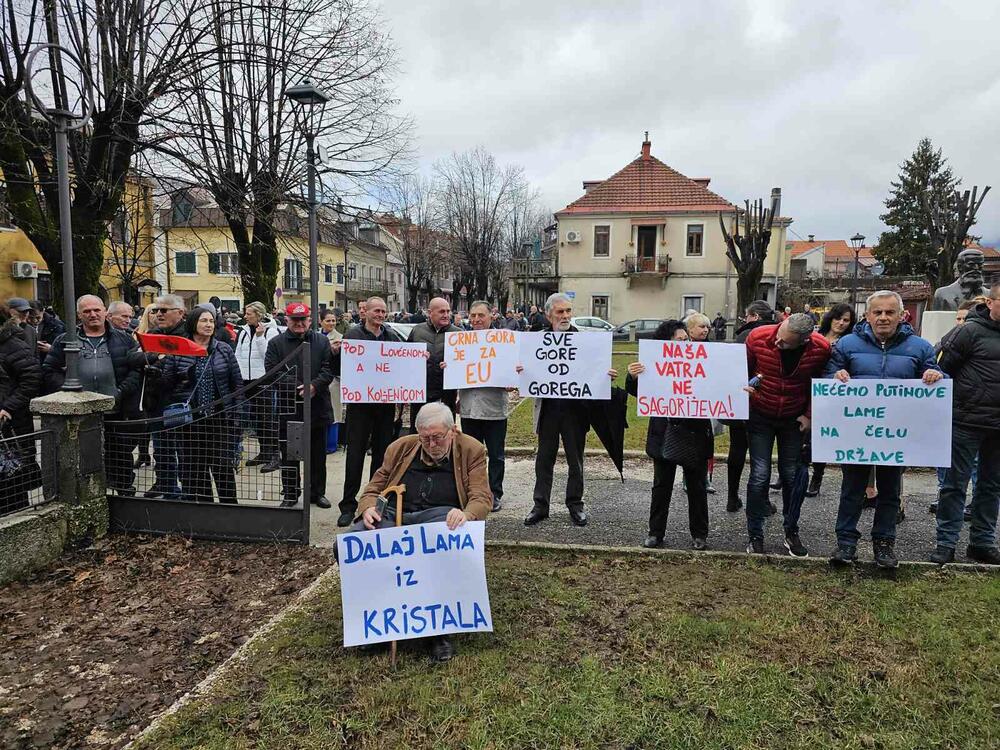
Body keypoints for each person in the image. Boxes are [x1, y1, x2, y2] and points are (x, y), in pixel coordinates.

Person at [347, 401, 492, 662]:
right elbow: (373, 488)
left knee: (446, 542)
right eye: (425, 438)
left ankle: (437, 632)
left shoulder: (472, 449)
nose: (432, 444)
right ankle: (379, 623)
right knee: (353, 541)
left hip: (441, 516)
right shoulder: (399, 448)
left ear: (453, 431)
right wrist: (368, 508)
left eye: (438, 437)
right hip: (396, 514)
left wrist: (466, 514)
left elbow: (481, 497)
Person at [825, 291, 943, 569]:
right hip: (856, 433)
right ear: (867, 316)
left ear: (901, 316)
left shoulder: (920, 347)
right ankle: (846, 543)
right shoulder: (847, 345)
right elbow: (826, 374)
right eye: (877, 312)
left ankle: (884, 544)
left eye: (889, 312)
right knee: (852, 489)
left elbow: (939, 379)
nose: (883, 317)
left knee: (890, 491)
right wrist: (835, 375)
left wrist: (936, 376)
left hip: (897, 436)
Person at [521, 293, 617, 527]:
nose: (565, 316)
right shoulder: (536, 341)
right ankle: (540, 505)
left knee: (576, 461)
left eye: (568, 311)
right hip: (548, 411)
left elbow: (595, 371)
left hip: (576, 412)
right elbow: (527, 371)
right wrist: (522, 370)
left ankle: (575, 504)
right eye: (560, 312)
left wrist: (606, 376)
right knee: (544, 460)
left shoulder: (584, 341)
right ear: (548, 314)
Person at [743, 313, 832, 556]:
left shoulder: (821, 349)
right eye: (778, 337)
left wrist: (809, 415)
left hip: (794, 418)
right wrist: (745, 389)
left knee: (792, 476)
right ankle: (755, 534)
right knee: (760, 474)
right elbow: (742, 369)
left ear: (804, 342)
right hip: (760, 414)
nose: (777, 344)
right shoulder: (758, 337)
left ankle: (791, 530)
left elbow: (821, 383)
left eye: (785, 343)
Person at [43, 295, 143, 495]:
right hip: (80, 414)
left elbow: (136, 370)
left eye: (96, 310)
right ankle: (87, 498)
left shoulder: (123, 339)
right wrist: (68, 390)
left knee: (120, 460)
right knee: (84, 462)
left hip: (115, 412)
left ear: (105, 311)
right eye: (87, 311)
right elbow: (48, 370)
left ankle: (125, 500)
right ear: (79, 315)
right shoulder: (65, 340)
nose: (93, 314)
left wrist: (120, 392)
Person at [626, 320, 711, 549]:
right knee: (661, 486)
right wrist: (633, 377)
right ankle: (655, 533)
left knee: (697, 487)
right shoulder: (654, 363)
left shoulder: (704, 359)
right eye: (679, 340)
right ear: (665, 345)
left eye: (686, 340)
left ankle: (699, 534)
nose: (685, 344)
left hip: (696, 433)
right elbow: (639, 393)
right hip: (664, 432)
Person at [932, 282, 1000, 565]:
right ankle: (946, 543)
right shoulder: (968, 331)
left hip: (997, 426)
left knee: (991, 486)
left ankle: (982, 542)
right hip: (966, 421)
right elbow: (941, 365)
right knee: (954, 484)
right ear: (991, 302)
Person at [157, 308, 242, 503]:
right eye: (204, 320)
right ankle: (205, 511)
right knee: (196, 468)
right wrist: (159, 369)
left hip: (219, 419)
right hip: (190, 421)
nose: (209, 325)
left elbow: (236, 383)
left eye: (211, 321)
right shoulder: (179, 349)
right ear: (193, 323)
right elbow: (167, 384)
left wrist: (238, 414)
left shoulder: (223, 349)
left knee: (222, 468)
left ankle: (230, 510)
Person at [331, 296, 399, 525]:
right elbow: (342, 367)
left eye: (383, 311)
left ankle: (373, 503)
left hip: (385, 405)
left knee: (381, 457)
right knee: (355, 455)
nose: (380, 315)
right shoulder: (353, 335)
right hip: (360, 406)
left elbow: (405, 362)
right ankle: (348, 505)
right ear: (366, 312)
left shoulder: (391, 336)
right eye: (376, 311)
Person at [264, 303, 335, 509]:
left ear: (310, 320)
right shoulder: (276, 343)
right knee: (289, 454)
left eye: (303, 319)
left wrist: (314, 386)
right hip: (289, 407)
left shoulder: (321, 341)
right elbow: (272, 372)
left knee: (317, 455)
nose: (300, 323)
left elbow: (328, 369)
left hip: (318, 405)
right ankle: (291, 493)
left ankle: (316, 493)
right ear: (287, 320)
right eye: (295, 320)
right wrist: (297, 387)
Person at [929, 299, 982, 515]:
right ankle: (944, 495)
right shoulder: (945, 342)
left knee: (976, 461)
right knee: (944, 455)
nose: (961, 322)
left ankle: (975, 503)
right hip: (948, 410)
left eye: (965, 318)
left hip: (974, 413)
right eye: (958, 318)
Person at [457, 301, 509, 513]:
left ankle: (495, 493)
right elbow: (456, 370)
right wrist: (449, 367)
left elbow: (513, 370)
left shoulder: (504, 341)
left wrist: (513, 376)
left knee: (496, 454)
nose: (477, 319)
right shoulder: (461, 341)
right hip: (470, 407)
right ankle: (474, 492)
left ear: (491, 316)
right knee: (471, 454)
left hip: (494, 407)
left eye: (481, 315)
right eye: (473, 315)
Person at [726, 300, 774, 513]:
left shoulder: (743, 337)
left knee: (736, 450)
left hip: (740, 398)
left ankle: (732, 496)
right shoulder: (776, 333)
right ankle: (761, 500)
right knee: (761, 454)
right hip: (766, 400)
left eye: (747, 316)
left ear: (753, 316)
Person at [804, 303, 857, 498]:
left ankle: (816, 476)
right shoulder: (814, 335)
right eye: (838, 318)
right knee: (801, 435)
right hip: (808, 387)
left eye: (846, 320)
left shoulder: (850, 342)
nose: (841, 323)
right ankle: (788, 476)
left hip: (833, 393)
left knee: (822, 436)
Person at [142, 295, 188, 498]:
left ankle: (187, 490)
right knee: (161, 448)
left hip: (178, 402)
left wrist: (161, 363)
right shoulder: (152, 333)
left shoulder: (188, 334)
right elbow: (133, 356)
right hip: (155, 400)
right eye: (156, 310)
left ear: (180, 313)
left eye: (164, 310)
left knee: (183, 450)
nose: (158, 314)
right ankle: (166, 484)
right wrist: (154, 357)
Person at [0, 304, 43, 514]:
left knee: (12, 477)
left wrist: (8, 407)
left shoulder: (13, 345)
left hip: (11, 423)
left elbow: (32, 379)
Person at [234, 301, 281, 466]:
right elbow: (238, 354)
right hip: (247, 380)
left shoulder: (272, 331)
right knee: (257, 419)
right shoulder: (244, 331)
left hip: (263, 379)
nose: (245, 316)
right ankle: (264, 452)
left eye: (249, 314)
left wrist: (260, 337)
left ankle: (275, 454)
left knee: (268, 419)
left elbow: (269, 356)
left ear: (259, 315)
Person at [407, 297, 461, 433]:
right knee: (419, 432)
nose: (446, 315)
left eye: (448, 311)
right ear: (430, 313)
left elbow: (465, 365)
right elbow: (405, 359)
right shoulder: (417, 331)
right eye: (442, 311)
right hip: (421, 393)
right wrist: (416, 358)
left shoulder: (458, 334)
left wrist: (453, 365)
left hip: (446, 394)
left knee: (445, 433)